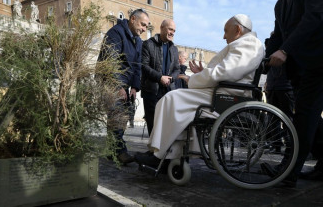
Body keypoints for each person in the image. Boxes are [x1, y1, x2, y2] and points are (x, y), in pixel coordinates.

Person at [135, 14, 264, 167]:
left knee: (172, 99)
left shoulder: (248, 44)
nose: (223, 36)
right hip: (222, 91)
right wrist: (203, 73)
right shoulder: (245, 43)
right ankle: (169, 153)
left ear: (237, 29)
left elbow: (223, 73)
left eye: (226, 31)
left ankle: (160, 155)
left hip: (226, 95)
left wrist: (194, 79)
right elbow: (225, 71)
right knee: (173, 100)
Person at [263, 0, 323, 187]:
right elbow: (278, 36)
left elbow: (314, 17)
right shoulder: (280, 4)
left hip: (318, 63)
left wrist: (285, 51)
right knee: (311, 118)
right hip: (298, 69)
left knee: (304, 116)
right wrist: (262, 61)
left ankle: (288, 172)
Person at [98, 9, 149, 164]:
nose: (145, 29)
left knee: (122, 117)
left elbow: (137, 65)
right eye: (143, 25)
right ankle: (120, 152)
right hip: (110, 81)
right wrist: (118, 85)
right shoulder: (115, 33)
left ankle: (111, 150)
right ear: (132, 19)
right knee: (116, 115)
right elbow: (111, 61)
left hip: (125, 83)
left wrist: (134, 87)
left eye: (147, 26)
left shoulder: (138, 41)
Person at [140, 19, 180, 136]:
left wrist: (170, 78)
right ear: (162, 28)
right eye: (170, 29)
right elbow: (144, 66)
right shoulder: (148, 44)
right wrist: (160, 77)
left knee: (166, 124)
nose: (172, 32)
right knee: (152, 123)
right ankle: (153, 151)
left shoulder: (174, 49)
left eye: (174, 30)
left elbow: (177, 69)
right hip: (151, 91)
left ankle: (163, 151)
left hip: (168, 91)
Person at [264, 35, 295, 153]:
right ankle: (276, 145)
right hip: (272, 87)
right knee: (272, 119)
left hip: (285, 87)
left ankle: (290, 146)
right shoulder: (271, 54)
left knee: (288, 119)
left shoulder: (286, 50)